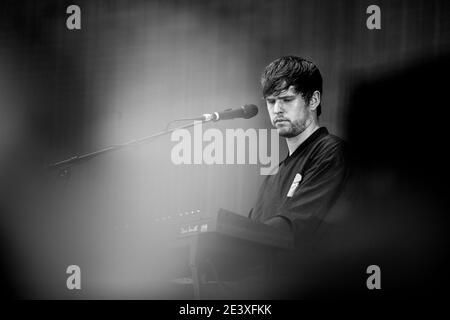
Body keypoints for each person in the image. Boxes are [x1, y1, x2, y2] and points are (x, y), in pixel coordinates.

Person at [249, 56, 349, 246]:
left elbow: (297, 227)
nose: (277, 109)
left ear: (313, 100)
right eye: (271, 101)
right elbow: (249, 231)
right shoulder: (272, 175)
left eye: (287, 99)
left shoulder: (331, 152)